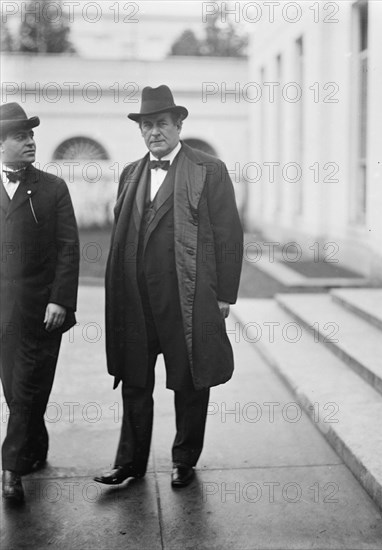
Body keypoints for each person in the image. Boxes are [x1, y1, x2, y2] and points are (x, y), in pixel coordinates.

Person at [94, 85, 243, 488]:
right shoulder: (130, 173)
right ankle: (129, 462)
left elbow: (229, 234)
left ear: (179, 124)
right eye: (146, 125)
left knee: (190, 380)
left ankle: (184, 459)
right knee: (135, 380)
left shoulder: (208, 169)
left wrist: (225, 294)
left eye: (161, 123)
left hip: (188, 297)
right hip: (136, 300)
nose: (153, 132)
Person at [0, 103, 80, 503]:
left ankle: (10, 469)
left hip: (41, 311)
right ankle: (35, 444)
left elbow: (68, 248)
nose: (31, 141)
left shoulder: (52, 188)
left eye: (31, 134)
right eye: (20, 136)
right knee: (16, 392)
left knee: (27, 387)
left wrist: (60, 300)